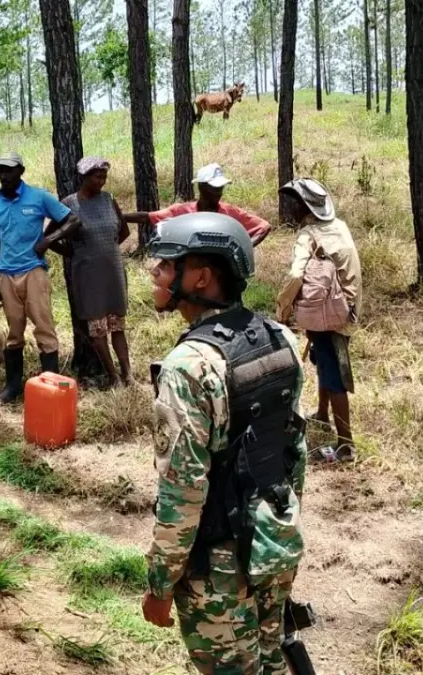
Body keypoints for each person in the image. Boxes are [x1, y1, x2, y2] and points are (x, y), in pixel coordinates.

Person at [140, 211, 306, 674]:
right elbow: (294, 453)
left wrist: (161, 584)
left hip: (219, 569)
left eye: (166, 265)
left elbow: (183, 491)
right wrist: (281, 530)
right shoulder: (281, 339)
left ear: (201, 276)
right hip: (274, 545)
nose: (155, 273)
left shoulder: (188, 366)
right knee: (272, 664)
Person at [275, 178, 362, 461]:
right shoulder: (340, 227)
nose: (290, 207)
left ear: (305, 207)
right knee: (323, 360)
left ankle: (346, 444)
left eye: (294, 203)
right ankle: (323, 414)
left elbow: (296, 275)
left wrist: (283, 307)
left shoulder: (308, 235)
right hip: (347, 307)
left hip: (329, 313)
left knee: (333, 372)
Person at [0, 151, 82, 403]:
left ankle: (48, 386)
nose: (4, 175)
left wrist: (48, 240)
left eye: (9, 170)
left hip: (34, 271)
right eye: (0, 170)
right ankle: (13, 386)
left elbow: (73, 221)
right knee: (14, 331)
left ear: (21, 171)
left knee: (44, 327)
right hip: (6, 274)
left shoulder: (38, 197)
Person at [61, 157, 132, 388]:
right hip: (88, 274)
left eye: (104, 177)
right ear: (84, 177)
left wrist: (107, 250)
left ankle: (127, 374)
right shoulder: (69, 204)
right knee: (97, 328)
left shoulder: (109, 199)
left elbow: (124, 231)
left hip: (112, 270)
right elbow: (50, 236)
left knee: (117, 324)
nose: (101, 181)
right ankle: (112, 376)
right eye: (96, 177)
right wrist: (76, 253)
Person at [124, 163, 271, 247]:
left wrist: (244, 249)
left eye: (221, 187)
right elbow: (148, 217)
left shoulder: (230, 213)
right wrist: (120, 216)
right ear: (202, 187)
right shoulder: (183, 211)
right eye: (214, 187)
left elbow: (263, 226)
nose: (219, 192)